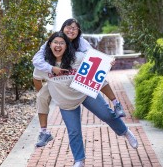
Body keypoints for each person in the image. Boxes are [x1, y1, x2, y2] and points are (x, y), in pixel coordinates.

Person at [33, 31, 138, 167]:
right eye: (55, 42)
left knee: (107, 114)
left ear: (67, 45)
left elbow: (97, 64)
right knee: (74, 131)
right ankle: (79, 160)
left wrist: (108, 61)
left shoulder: (78, 58)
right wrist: (44, 93)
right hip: (66, 102)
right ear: (49, 45)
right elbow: (37, 79)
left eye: (61, 43)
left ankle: (125, 131)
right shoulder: (44, 64)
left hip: (84, 93)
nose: (58, 45)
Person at [32, 18, 126, 147]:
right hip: (56, 79)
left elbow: (94, 58)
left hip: (76, 78)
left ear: (78, 31)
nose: (71, 30)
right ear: (62, 28)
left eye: (74, 28)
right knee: (41, 96)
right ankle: (44, 132)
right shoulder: (53, 41)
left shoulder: (81, 43)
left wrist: (107, 61)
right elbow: (36, 60)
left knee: (97, 77)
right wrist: (51, 70)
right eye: (68, 27)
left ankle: (116, 103)